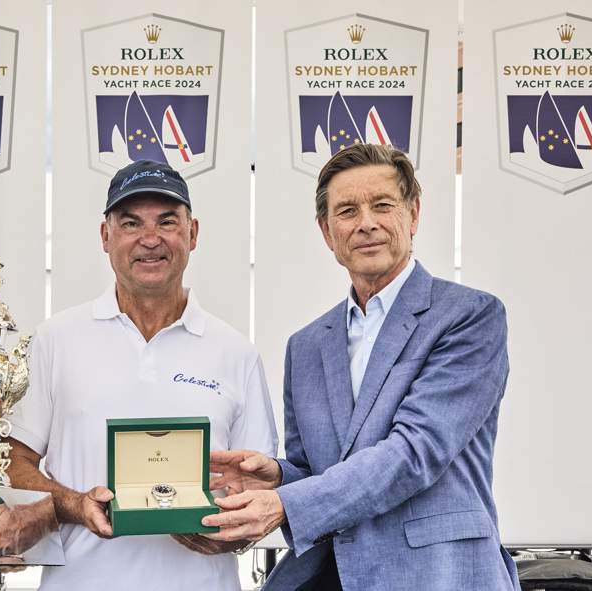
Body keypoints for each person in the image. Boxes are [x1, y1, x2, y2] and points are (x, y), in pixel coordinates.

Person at [203, 144, 520, 590]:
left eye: (382, 205)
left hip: (441, 576)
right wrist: (278, 476)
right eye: (347, 210)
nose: (366, 222)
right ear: (327, 231)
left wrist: (286, 503)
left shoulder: (470, 316)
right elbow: (317, 470)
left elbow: (414, 452)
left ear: (413, 214)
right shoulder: (306, 346)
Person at [5, 159, 278, 590]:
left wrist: (231, 537)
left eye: (167, 222)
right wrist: (75, 504)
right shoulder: (54, 339)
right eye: (131, 223)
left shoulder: (237, 353)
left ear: (192, 233)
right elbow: (12, 461)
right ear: (105, 236)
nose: (150, 240)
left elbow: (260, 496)